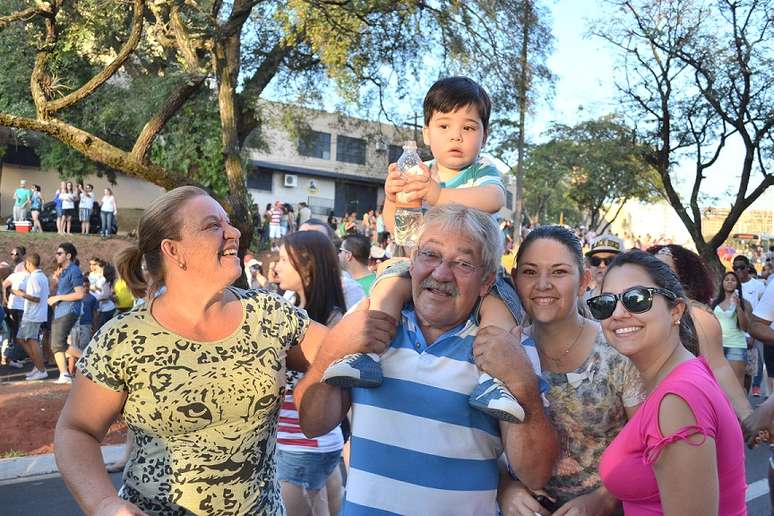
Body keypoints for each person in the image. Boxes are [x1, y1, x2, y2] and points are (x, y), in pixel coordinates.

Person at [54, 186, 395, 515]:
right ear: (174, 250)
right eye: (213, 225)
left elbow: (339, 351)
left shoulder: (269, 314)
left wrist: (398, 279)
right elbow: (76, 430)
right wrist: (103, 504)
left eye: (228, 222)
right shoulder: (124, 339)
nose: (233, 232)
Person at [295, 204, 557, 515]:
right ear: (412, 262)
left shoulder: (506, 345)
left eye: (462, 263)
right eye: (430, 255)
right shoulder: (371, 321)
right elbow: (313, 425)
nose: (441, 273)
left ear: (486, 281)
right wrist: (332, 350)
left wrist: (524, 384)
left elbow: (535, 472)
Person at [324, 77, 526, 424]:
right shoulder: (418, 170)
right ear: (427, 132)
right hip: (422, 265)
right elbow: (396, 221)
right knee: (388, 283)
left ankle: (496, 380)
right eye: (444, 125)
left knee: (501, 306)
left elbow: (493, 199)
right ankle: (368, 354)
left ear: (484, 136)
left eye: (468, 127)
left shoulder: (483, 172)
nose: (456, 136)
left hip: (479, 273)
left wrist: (437, 195)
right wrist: (393, 197)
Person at [498, 226, 643, 516]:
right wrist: (504, 488)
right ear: (515, 280)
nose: (542, 284)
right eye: (529, 272)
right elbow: (477, 441)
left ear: (584, 281)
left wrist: (606, 498)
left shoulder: (618, 352)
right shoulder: (504, 352)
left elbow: (647, 445)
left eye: (559, 272)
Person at [594, 251, 746, 515]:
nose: (617, 313)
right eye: (606, 303)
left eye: (636, 299)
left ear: (675, 310)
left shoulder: (677, 398)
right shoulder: (681, 377)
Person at [274, 231, 347, 516]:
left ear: (307, 267)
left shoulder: (329, 322)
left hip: (302, 444)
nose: (276, 266)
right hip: (311, 443)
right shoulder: (295, 308)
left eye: (283, 259)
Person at [648, 244, 753, 421]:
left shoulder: (697, 315)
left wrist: (747, 416)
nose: (656, 275)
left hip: (684, 412)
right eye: (651, 268)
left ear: (684, 276)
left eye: (665, 269)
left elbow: (718, 367)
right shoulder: (632, 311)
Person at [298, 218, 366, 310]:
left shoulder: (348, 289)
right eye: (300, 239)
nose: (308, 245)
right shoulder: (292, 285)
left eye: (317, 240)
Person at [47, 242, 84, 384]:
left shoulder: (74, 270)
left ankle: (90, 358)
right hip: (60, 311)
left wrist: (58, 297)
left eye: (59, 253)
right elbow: (60, 290)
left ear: (68, 255)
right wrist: (55, 283)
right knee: (56, 345)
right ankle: (64, 375)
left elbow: (80, 294)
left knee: (59, 343)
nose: (56, 255)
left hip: (69, 310)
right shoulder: (64, 271)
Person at [710, 271, 752, 389]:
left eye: (733, 280)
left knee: (737, 385)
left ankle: (740, 408)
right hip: (717, 346)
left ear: (737, 284)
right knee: (718, 384)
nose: (729, 282)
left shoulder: (744, 303)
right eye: (726, 279)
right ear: (722, 283)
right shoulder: (715, 302)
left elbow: (745, 327)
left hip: (736, 346)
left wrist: (738, 306)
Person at [13, 254, 49, 381]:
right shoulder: (41, 276)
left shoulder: (34, 277)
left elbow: (36, 298)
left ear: (28, 263)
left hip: (33, 315)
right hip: (33, 314)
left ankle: (41, 370)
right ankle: (38, 367)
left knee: (31, 340)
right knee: (22, 339)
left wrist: (20, 293)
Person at [67, 275, 98, 377]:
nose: (86, 288)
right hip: (75, 325)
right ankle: (71, 372)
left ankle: (81, 372)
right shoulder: (75, 297)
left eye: (87, 286)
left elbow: (95, 314)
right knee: (73, 348)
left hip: (86, 324)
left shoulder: (92, 298)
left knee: (84, 347)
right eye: (83, 286)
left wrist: (94, 327)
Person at [90, 257, 117, 330]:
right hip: (105, 308)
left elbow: (105, 295)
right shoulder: (103, 280)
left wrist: (95, 299)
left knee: (101, 329)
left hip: (107, 309)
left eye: (99, 268)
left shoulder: (104, 281)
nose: (97, 270)